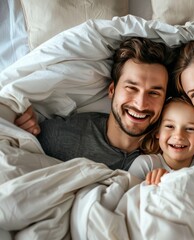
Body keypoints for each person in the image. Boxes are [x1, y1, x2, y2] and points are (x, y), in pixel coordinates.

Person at [14, 37, 176, 170]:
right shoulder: (62, 136)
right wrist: (21, 128)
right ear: (112, 90)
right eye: (131, 88)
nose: (141, 104)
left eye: (154, 93)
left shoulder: (173, 147)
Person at [128, 97, 194, 185]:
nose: (178, 136)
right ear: (158, 132)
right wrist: (152, 187)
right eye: (170, 126)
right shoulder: (146, 164)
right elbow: (128, 198)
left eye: (190, 129)